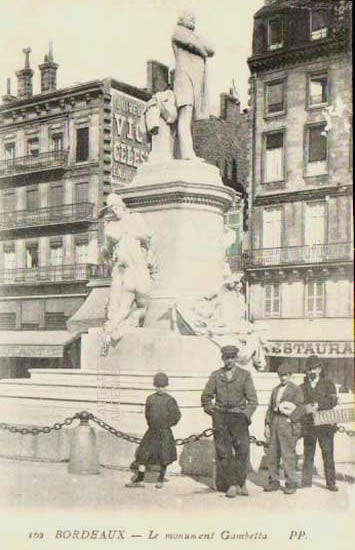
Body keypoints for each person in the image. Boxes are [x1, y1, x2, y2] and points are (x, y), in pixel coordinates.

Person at [100, 193, 155, 353]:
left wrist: (129, 235)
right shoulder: (112, 227)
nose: (114, 211)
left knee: (140, 305)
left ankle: (115, 329)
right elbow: (107, 251)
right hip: (127, 272)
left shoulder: (135, 219)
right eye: (112, 208)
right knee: (125, 306)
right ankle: (110, 331)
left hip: (135, 270)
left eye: (116, 207)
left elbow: (147, 236)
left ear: (123, 206)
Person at [201, 345, 258, 498]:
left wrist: (245, 416)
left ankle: (241, 482)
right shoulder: (216, 375)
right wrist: (213, 412)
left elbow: (253, 400)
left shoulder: (245, 375)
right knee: (224, 452)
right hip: (221, 417)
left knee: (242, 451)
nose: (230, 361)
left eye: (232, 358)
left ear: (236, 359)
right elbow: (206, 397)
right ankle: (232, 484)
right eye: (227, 358)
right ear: (223, 359)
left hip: (239, 417)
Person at [126, 372, 181, 489]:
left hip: (165, 432)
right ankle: (140, 479)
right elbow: (147, 414)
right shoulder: (150, 399)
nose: (160, 389)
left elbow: (176, 416)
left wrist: (166, 425)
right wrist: (152, 424)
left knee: (164, 456)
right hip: (152, 431)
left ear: (166, 386)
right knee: (143, 455)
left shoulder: (170, 400)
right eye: (158, 386)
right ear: (154, 386)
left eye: (162, 386)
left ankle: (160, 479)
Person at [172, 10, 214, 159]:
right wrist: (201, 49)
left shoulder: (193, 34)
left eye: (194, 17)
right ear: (181, 19)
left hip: (193, 81)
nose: (193, 19)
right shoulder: (178, 32)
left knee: (189, 118)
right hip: (184, 79)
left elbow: (211, 49)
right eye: (190, 17)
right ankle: (186, 153)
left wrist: (199, 42)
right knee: (185, 114)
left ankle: (184, 152)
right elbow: (194, 45)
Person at [264, 363, 304, 495]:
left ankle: (291, 483)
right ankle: (273, 481)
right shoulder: (275, 390)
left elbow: (300, 408)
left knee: (288, 454)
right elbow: (270, 408)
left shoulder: (296, 389)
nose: (282, 378)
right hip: (275, 421)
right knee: (273, 454)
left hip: (287, 424)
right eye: (280, 376)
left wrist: (291, 419)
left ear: (290, 375)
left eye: (285, 376)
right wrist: (267, 425)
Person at [300, 355, 338, 491]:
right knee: (308, 453)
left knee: (328, 454)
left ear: (320, 369)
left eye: (314, 368)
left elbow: (334, 401)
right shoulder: (302, 386)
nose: (311, 372)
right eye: (309, 369)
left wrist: (318, 405)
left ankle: (331, 482)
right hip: (309, 426)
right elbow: (299, 404)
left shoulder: (328, 384)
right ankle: (306, 482)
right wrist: (305, 408)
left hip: (325, 425)